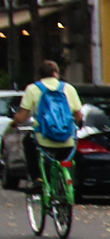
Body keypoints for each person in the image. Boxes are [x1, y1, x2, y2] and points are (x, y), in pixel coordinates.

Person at [10, 60, 80, 192]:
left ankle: (37, 179)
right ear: (55, 73)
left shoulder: (33, 89)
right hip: (66, 140)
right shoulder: (69, 88)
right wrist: (77, 124)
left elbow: (22, 116)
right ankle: (69, 184)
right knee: (68, 156)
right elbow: (79, 115)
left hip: (43, 140)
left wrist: (14, 123)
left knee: (28, 143)